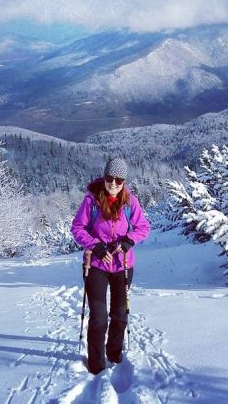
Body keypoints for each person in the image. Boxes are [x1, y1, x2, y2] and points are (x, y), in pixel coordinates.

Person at [71, 157, 151, 375]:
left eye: (119, 179)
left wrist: (129, 241)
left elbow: (143, 227)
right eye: (109, 178)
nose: (113, 183)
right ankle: (96, 365)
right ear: (104, 177)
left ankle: (114, 355)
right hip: (96, 265)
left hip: (123, 265)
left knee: (120, 314)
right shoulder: (91, 201)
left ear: (124, 181)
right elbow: (77, 228)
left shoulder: (130, 202)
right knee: (98, 317)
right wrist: (95, 246)